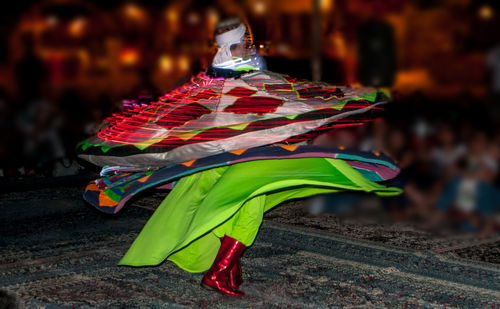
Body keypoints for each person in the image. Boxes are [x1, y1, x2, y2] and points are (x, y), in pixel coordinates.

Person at [81, 18, 402, 296]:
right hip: (233, 158)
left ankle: (226, 268)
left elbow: (286, 100)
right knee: (245, 209)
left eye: (250, 42)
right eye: (245, 43)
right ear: (231, 46)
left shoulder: (231, 77)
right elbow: (267, 110)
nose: (251, 47)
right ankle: (220, 270)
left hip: (234, 157)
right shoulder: (233, 82)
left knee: (239, 206)